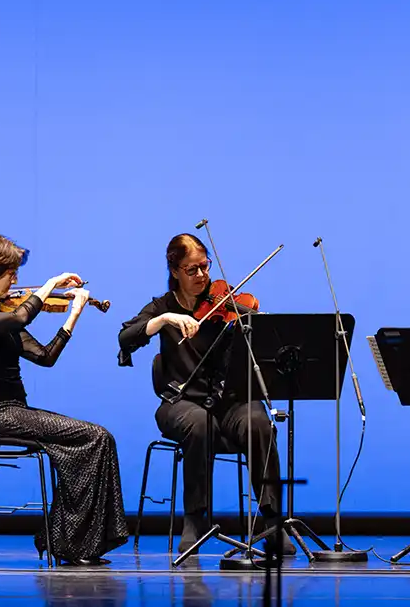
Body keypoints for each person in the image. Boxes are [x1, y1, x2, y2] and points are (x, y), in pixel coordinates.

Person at [118, 233, 294, 555]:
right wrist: (164, 320)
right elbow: (126, 337)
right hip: (180, 403)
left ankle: (271, 519)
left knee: (259, 423)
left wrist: (256, 324)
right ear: (175, 271)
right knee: (199, 424)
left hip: (230, 401)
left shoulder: (224, 302)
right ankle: (195, 518)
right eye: (191, 270)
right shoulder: (162, 307)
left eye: (204, 266)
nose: (201, 275)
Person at [0, 232, 128, 566]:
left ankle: (68, 541)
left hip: (13, 412)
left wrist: (73, 316)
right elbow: (21, 317)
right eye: (11, 274)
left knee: (97, 438)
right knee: (95, 436)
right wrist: (50, 284)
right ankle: (69, 543)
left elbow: (45, 357)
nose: (15, 281)